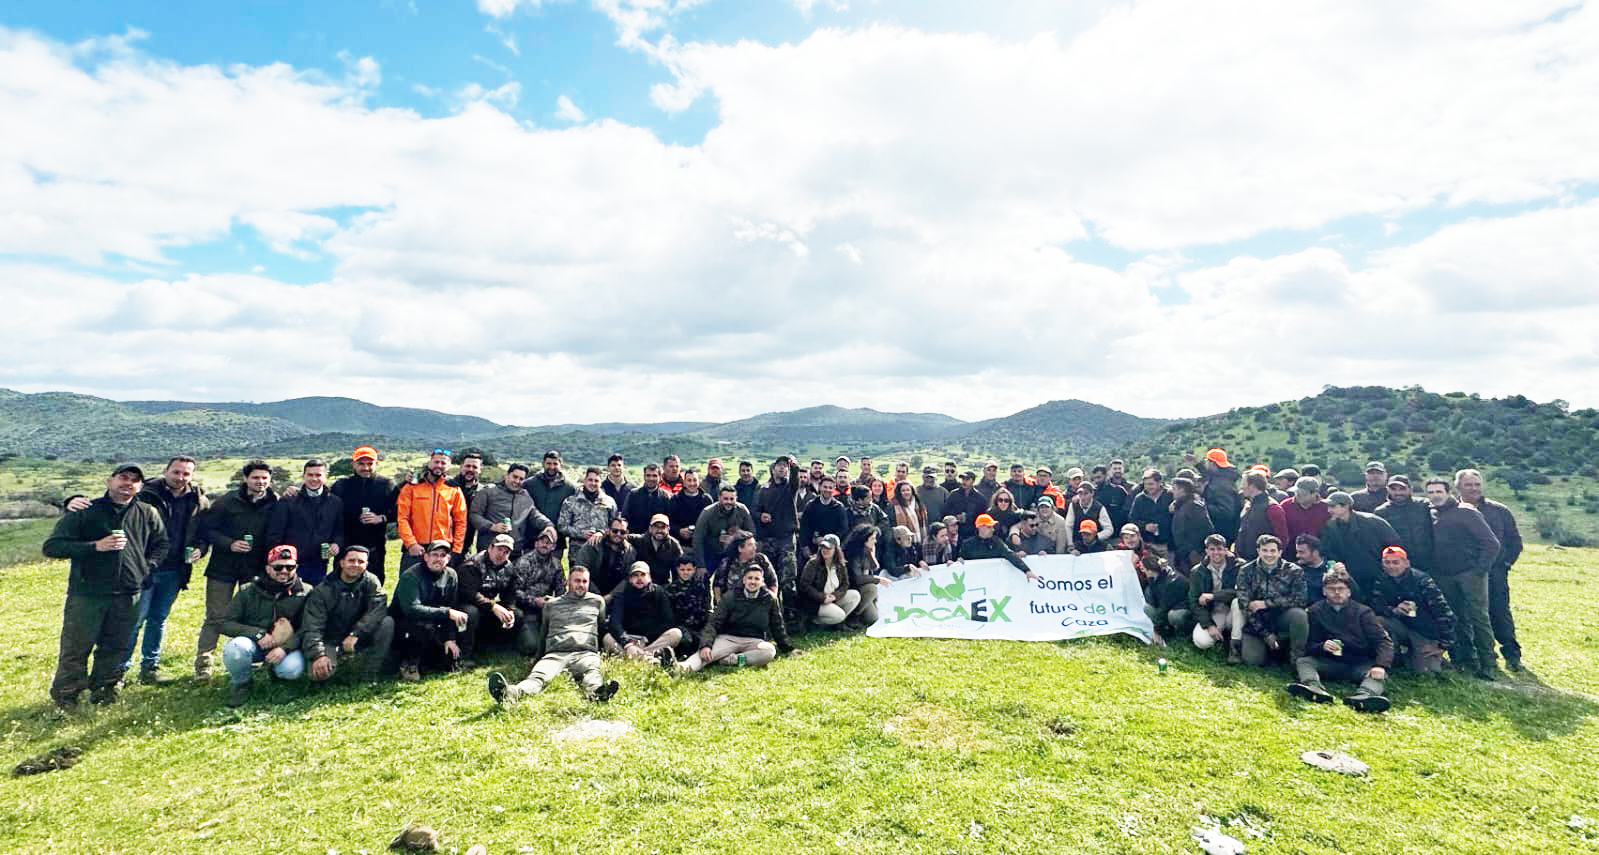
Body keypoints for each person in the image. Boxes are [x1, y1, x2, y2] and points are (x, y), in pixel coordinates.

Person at [44, 464, 168, 709]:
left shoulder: (147, 512)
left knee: (116, 646)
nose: (128, 483)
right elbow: (53, 547)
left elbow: (162, 544)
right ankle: (67, 696)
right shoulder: (85, 512)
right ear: (109, 481)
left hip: (129, 593)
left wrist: (147, 567)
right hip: (88, 593)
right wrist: (94, 547)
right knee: (76, 647)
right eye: (123, 477)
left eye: (134, 480)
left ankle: (105, 691)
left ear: (141, 487)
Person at [125, 456, 208, 684]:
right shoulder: (145, 494)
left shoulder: (198, 500)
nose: (180, 477)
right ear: (166, 471)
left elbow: (203, 533)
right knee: (134, 620)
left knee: (158, 619)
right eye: (176, 472)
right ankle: (119, 671)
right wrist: (73, 500)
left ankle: (150, 668)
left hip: (175, 570)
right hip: (144, 569)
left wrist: (201, 549)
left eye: (186, 474)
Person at [488, 566, 619, 703]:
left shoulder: (597, 602)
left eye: (584, 581)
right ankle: (509, 694)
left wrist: (606, 653)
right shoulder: (552, 605)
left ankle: (598, 694)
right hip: (556, 654)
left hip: (585, 653)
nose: (581, 585)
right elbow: (544, 633)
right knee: (538, 677)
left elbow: (601, 628)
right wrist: (538, 657)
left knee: (593, 674)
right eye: (577, 581)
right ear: (568, 582)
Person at [196, 460, 277, 681]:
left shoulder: (275, 502)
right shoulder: (226, 501)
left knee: (254, 618)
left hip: (255, 570)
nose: (260, 482)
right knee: (215, 617)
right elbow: (208, 530)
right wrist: (229, 543)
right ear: (245, 479)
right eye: (255, 478)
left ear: (270, 480)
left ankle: (254, 660)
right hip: (223, 568)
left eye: (264, 478)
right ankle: (203, 666)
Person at [1286, 567, 1393, 713]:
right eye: (1332, 589)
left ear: (1349, 592)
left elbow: (1383, 641)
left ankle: (1365, 696)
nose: (1337, 593)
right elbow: (1309, 645)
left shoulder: (1363, 612)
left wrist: (1381, 666)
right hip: (1329, 662)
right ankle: (1313, 688)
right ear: (1324, 591)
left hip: (1359, 663)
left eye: (1341, 589)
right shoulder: (1315, 611)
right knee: (1303, 661)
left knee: (1379, 675)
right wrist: (1322, 646)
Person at [1427, 478, 1502, 679]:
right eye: (1431, 492)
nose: (1435, 495)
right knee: (1455, 617)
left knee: (1479, 617)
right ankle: (1465, 659)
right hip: (1445, 575)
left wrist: (1480, 569)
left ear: (1448, 492)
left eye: (1438, 491)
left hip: (1470, 573)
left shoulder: (1466, 512)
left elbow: (1491, 543)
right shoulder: (1432, 514)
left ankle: (1488, 663)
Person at [219, 544, 311, 707]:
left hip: (287, 646)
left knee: (291, 669)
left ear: (296, 568)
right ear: (268, 569)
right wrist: (257, 634)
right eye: (278, 567)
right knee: (235, 650)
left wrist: (285, 648)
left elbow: (309, 628)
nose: (284, 571)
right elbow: (225, 623)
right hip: (254, 644)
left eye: (289, 567)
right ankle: (242, 684)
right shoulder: (248, 590)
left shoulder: (306, 592)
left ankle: (279, 676)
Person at [1456, 468, 1525, 672]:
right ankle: (1479, 654)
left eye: (1477, 484)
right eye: (1468, 484)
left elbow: (1515, 542)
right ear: (1458, 486)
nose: (1473, 488)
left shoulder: (1499, 511)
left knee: (1499, 611)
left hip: (1494, 572)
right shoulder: (1451, 510)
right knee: (1468, 613)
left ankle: (1512, 655)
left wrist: (1504, 565)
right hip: (1464, 573)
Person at [673, 564, 797, 672]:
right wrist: (706, 645)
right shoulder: (730, 597)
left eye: (756, 579)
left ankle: (732, 660)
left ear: (762, 581)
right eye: (749, 578)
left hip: (753, 641)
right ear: (744, 580)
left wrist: (788, 648)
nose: (752, 582)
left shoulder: (769, 599)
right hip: (728, 638)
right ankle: (683, 668)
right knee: (705, 654)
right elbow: (714, 622)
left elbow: (777, 626)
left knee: (769, 651)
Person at [301, 545, 394, 684]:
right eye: (351, 560)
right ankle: (336, 664)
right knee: (320, 674)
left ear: (367, 564)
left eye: (361, 562)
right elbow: (312, 626)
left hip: (359, 635)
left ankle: (370, 673)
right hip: (330, 639)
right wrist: (318, 655)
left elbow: (377, 610)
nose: (355, 565)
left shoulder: (371, 581)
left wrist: (356, 633)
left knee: (387, 623)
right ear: (341, 562)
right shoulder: (323, 590)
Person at [391, 541, 478, 681]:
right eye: (434, 555)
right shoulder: (411, 576)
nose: (438, 559)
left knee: (447, 661)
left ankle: (449, 656)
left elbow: (452, 605)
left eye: (443, 555)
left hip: (434, 621)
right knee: (419, 627)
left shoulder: (451, 575)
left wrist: (450, 638)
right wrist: (447, 612)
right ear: (426, 557)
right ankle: (409, 663)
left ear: (448, 559)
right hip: (407, 623)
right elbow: (412, 609)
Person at [1366, 546, 1455, 674]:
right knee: (1377, 621)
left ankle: (1427, 658)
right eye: (1387, 562)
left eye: (1396, 562)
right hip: (1401, 626)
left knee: (1426, 672)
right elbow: (1375, 606)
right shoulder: (1382, 580)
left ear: (1406, 563)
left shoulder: (1422, 581)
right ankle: (1395, 657)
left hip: (1424, 631)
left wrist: (1443, 645)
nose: (1391, 566)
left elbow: (1445, 613)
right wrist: (1394, 610)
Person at [264, 459, 343, 585]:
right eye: (310, 475)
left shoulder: (335, 502)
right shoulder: (288, 501)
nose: (314, 479)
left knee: (314, 600)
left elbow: (339, 531)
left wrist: (337, 544)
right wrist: (278, 562)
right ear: (303, 476)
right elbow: (275, 534)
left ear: (325, 477)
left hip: (319, 564)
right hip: (290, 564)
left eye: (318, 475)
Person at [458, 534, 537, 655]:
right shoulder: (472, 565)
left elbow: (510, 594)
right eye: (499, 549)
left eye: (506, 552)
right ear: (490, 548)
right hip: (467, 604)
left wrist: (509, 609)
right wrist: (493, 606)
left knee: (517, 614)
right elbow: (470, 594)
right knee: (471, 612)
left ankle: (496, 647)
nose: (501, 555)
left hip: (488, 606)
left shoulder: (509, 568)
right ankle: (465, 653)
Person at [1237, 535, 1308, 667]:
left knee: (1300, 615)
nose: (1269, 554)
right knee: (1252, 661)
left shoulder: (1294, 571)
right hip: (1258, 623)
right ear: (1258, 551)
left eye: (1273, 551)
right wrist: (1266, 634)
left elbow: (1301, 600)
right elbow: (1245, 606)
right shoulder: (1245, 571)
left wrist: (1266, 603)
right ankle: (1271, 650)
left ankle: (1298, 662)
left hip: (1283, 618)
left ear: (1280, 552)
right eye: (1265, 550)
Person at [330, 446, 394, 583]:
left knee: (373, 584)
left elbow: (399, 511)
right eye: (361, 464)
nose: (365, 468)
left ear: (376, 464)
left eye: (370, 464)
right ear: (353, 464)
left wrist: (381, 518)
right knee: (340, 584)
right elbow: (324, 501)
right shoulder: (341, 485)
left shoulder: (386, 485)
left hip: (375, 546)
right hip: (346, 545)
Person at [396, 450, 468, 570]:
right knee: (410, 586)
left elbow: (461, 522)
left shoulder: (454, 489)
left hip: (442, 549)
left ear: (448, 467)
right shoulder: (411, 487)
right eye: (436, 462)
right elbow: (402, 518)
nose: (439, 465)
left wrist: (456, 550)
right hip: (416, 549)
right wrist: (411, 544)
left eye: (443, 463)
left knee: (439, 587)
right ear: (429, 463)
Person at [1319, 491, 1403, 593]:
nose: (1329, 510)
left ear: (1346, 506)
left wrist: (1389, 568)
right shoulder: (1331, 526)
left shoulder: (1372, 522)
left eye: (1332, 506)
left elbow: (1395, 546)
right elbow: (1328, 551)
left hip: (1379, 577)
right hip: (1350, 580)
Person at [754, 456, 803, 631]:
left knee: (788, 580)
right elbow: (755, 510)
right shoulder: (763, 489)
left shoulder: (790, 487)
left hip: (787, 539)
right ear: (773, 469)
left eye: (785, 467)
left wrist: (794, 466)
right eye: (779, 466)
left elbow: (796, 479)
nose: (783, 469)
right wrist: (761, 516)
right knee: (768, 579)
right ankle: (769, 619)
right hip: (768, 539)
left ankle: (791, 620)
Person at [607, 562, 683, 664]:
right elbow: (615, 623)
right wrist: (628, 643)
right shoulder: (622, 595)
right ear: (630, 579)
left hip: (651, 641)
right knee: (607, 638)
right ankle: (647, 659)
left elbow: (668, 620)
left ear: (649, 577)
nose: (639, 578)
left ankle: (636, 658)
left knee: (676, 633)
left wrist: (648, 638)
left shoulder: (658, 592)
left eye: (643, 575)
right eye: (635, 575)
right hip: (628, 638)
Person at [470, 463, 550, 555]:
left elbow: (534, 515)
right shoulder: (488, 492)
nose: (517, 481)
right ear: (507, 476)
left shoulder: (525, 496)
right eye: (515, 477)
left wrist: (549, 525)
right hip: (490, 549)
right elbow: (474, 515)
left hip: (515, 550)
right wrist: (492, 526)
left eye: (521, 479)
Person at [1189, 534, 1243, 661]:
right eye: (1212, 549)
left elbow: (1241, 592)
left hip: (1234, 613)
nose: (1216, 553)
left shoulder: (1239, 567)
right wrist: (1209, 625)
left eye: (1219, 549)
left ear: (1226, 550)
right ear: (1206, 551)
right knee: (1201, 641)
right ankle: (1221, 635)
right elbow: (1194, 601)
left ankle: (1235, 648)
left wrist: (1214, 596)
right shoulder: (1197, 571)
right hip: (1214, 612)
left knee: (1237, 602)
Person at [510, 526, 569, 643]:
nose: (544, 544)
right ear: (536, 543)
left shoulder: (557, 565)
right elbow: (513, 592)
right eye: (542, 541)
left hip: (547, 609)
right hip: (525, 609)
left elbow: (561, 592)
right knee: (530, 646)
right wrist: (535, 601)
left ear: (554, 547)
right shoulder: (523, 562)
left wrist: (553, 602)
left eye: (549, 542)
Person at [798, 533, 862, 626]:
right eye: (823, 547)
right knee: (840, 615)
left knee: (855, 595)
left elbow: (845, 584)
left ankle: (836, 623)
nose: (825, 550)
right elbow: (804, 585)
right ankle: (815, 623)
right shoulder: (813, 563)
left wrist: (835, 596)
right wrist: (822, 597)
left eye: (829, 548)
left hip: (832, 598)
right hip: (816, 602)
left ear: (836, 550)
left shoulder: (841, 565)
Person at [560, 467, 619, 565]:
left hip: (602, 553)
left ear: (600, 483)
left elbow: (615, 525)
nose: (593, 483)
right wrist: (580, 533)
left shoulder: (609, 502)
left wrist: (602, 533)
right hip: (577, 554)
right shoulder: (570, 501)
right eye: (590, 480)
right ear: (584, 481)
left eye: (596, 480)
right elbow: (562, 526)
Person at [1375, 475, 1434, 573]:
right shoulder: (1381, 512)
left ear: (1410, 489)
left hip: (1431, 561)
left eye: (1402, 489)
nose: (1398, 492)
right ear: (1387, 490)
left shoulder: (1424, 505)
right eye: (1393, 489)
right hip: (1400, 564)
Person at [694, 485, 755, 572]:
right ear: (719, 498)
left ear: (736, 498)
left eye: (732, 499)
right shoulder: (707, 513)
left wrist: (736, 535)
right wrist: (701, 565)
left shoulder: (742, 510)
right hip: (712, 552)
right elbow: (697, 539)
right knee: (703, 579)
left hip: (734, 554)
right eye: (725, 499)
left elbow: (752, 533)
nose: (729, 502)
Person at [573, 517, 637, 598]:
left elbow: (628, 578)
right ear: (608, 530)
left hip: (616, 596)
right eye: (615, 531)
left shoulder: (630, 552)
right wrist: (596, 595)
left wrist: (611, 596)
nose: (618, 534)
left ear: (627, 533)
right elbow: (580, 569)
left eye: (622, 532)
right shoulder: (592, 545)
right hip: (589, 592)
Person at [957, 514, 1034, 577]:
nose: (992, 529)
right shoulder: (967, 544)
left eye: (993, 527)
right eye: (989, 527)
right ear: (980, 527)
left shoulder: (997, 542)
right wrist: (959, 560)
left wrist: (1027, 570)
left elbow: (1010, 555)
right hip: (975, 582)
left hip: (995, 582)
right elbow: (960, 559)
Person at [1235, 472, 1288, 562]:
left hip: (1264, 562)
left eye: (1243, 484)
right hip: (1245, 560)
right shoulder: (1248, 504)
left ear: (1253, 486)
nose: (1241, 487)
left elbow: (1282, 538)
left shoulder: (1272, 508)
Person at [528, 451, 576, 551]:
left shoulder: (570, 487)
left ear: (561, 465)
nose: (552, 467)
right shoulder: (530, 484)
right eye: (548, 463)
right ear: (543, 464)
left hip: (556, 541)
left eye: (555, 464)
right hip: (531, 539)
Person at [1168, 477, 1215, 573]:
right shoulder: (1181, 506)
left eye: (1175, 489)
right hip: (1183, 554)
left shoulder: (1194, 506)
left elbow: (1207, 529)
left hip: (1193, 554)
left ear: (1182, 490)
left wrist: (1195, 550)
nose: (1172, 492)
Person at [665, 555, 711, 650]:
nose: (685, 572)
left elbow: (706, 607)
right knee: (686, 642)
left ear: (694, 570)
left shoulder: (701, 587)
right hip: (681, 626)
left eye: (689, 570)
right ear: (677, 570)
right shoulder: (671, 589)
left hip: (699, 626)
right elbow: (670, 614)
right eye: (682, 569)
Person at [712, 532, 779, 598]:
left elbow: (773, 582)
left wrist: (772, 601)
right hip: (733, 604)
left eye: (754, 545)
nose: (754, 548)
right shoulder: (727, 563)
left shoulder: (761, 560)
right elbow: (717, 585)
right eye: (750, 545)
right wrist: (720, 604)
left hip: (759, 604)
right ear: (740, 548)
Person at [1294, 534, 1356, 605]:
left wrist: (1347, 577)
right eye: (1297, 551)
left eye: (1301, 552)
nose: (1297, 555)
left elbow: (1357, 596)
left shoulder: (1333, 567)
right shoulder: (1295, 569)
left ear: (1315, 553)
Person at [799, 475, 850, 561]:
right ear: (820, 487)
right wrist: (805, 547)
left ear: (834, 489)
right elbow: (804, 528)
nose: (827, 490)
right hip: (812, 548)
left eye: (830, 487)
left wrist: (827, 540)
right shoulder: (811, 505)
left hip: (832, 549)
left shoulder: (839, 508)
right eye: (825, 487)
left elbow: (843, 530)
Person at [446, 451, 485, 555]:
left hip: (466, 546)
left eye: (475, 467)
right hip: (442, 543)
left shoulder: (483, 492)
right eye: (467, 466)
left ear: (480, 469)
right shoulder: (447, 486)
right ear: (461, 466)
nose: (470, 470)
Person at [1128, 469, 1174, 557]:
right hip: (1148, 545)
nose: (1148, 487)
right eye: (1145, 484)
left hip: (1169, 545)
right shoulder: (1139, 499)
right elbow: (1132, 519)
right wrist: (1145, 526)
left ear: (1159, 482)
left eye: (1151, 484)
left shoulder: (1170, 495)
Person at [1200, 449, 1242, 544]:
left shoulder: (1220, 485)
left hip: (1221, 534)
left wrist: (1202, 506)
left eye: (1207, 461)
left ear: (1212, 464)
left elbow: (1226, 512)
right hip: (1224, 533)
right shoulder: (1222, 478)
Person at [630, 513, 685, 585]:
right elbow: (621, 537)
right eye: (656, 527)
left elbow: (680, 566)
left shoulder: (674, 545)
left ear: (668, 529)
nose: (659, 530)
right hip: (641, 584)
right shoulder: (639, 540)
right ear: (650, 528)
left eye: (663, 527)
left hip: (663, 585)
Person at [622, 463, 674, 535]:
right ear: (644, 476)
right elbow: (625, 517)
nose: (651, 479)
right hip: (635, 538)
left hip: (658, 539)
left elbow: (671, 521)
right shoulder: (633, 495)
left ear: (660, 477)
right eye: (648, 475)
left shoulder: (666, 497)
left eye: (654, 476)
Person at [1280, 476, 1330, 545]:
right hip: (1291, 550)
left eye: (1303, 493)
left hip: (1318, 551)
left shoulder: (1327, 508)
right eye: (1296, 492)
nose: (1298, 495)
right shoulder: (1285, 506)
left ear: (1315, 493)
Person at [668, 469, 712, 549]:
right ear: (684, 483)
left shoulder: (707, 500)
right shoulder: (675, 500)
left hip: (703, 544)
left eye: (695, 480)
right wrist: (679, 531)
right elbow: (669, 522)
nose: (692, 483)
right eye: (689, 480)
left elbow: (712, 522)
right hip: (680, 545)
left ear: (699, 482)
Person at [944, 471, 988, 540]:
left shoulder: (980, 498)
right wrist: (956, 516)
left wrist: (969, 518)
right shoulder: (953, 495)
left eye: (967, 479)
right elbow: (946, 511)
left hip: (973, 533)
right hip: (955, 533)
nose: (964, 481)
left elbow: (983, 516)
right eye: (963, 479)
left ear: (973, 481)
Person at [1092, 465, 1131, 532]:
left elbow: (1128, 512)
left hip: (1118, 532)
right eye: (1094, 478)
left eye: (1099, 477)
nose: (1096, 480)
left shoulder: (1119, 491)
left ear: (1106, 475)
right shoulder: (1093, 493)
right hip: (1101, 531)